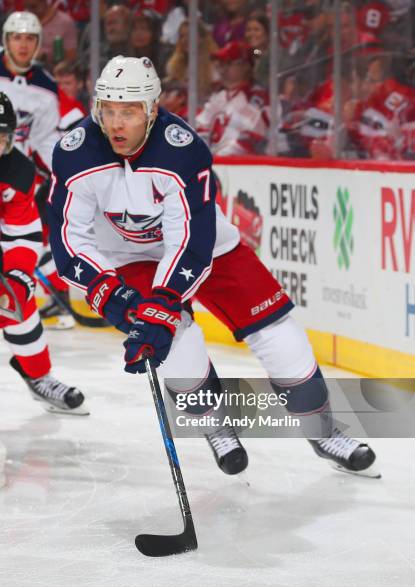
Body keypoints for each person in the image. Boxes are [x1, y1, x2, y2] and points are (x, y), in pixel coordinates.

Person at [48, 55, 378, 477]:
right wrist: (111, 293)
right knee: (177, 349)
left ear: (151, 108)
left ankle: (324, 431)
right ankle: (216, 426)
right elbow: (68, 239)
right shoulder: (75, 153)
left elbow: (189, 239)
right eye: (108, 110)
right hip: (129, 258)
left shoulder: (180, 148)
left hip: (209, 248)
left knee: (284, 340)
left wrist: (163, 301)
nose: (116, 123)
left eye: (128, 112)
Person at [0, 92, 87, 416]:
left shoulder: (17, 171)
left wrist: (20, 275)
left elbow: (22, 234)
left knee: (16, 302)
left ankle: (38, 375)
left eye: (1, 139)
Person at [0, 11, 75, 329]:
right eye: (17, 37)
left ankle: (55, 301)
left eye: (30, 38)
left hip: (17, 174)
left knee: (34, 238)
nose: (23, 44)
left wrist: (60, 174)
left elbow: (45, 139)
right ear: (6, 40)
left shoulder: (46, 88)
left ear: (39, 44)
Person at [196, 41, 268, 156]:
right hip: (215, 163)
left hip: (242, 167)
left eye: (228, 63)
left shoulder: (258, 99)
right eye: (220, 63)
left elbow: (251, 140)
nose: (221, 69)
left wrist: (217, 158)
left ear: (245, 66)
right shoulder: (219, 96)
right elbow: (201, 125)